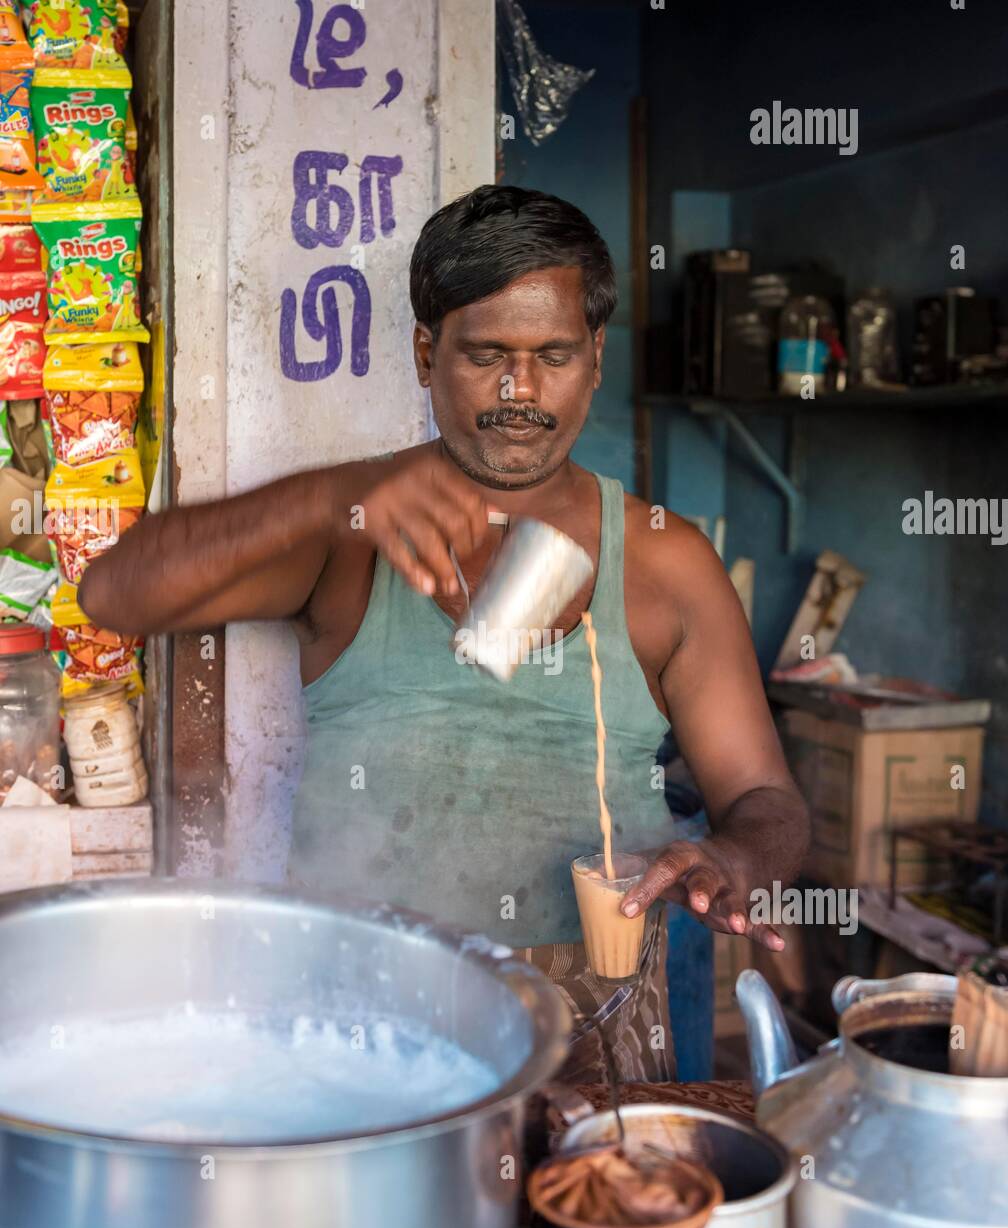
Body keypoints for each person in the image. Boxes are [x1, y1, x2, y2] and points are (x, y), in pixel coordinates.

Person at [80, 185, 809, 1084]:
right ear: (427, 354)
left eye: (553, 355)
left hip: (595, 1026)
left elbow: (768, 801)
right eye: (486, 356)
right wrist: (328, 496)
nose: (520, 391)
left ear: (594, 359)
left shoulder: (667, 563)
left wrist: (734, 855)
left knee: (595, 1220)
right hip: (359, 1014)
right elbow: (115, 592)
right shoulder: (352, 529)